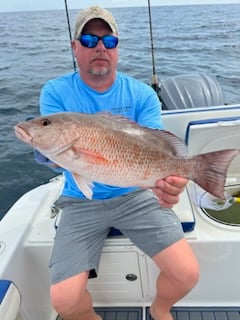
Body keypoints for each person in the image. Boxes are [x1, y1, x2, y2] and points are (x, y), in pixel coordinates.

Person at [39, 6, 199, 320]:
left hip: (136, 194)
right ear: (75, 48)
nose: (100, 47)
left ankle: (159, 309)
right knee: (64, 301)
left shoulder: (142, 95)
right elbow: (58, 155)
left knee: (186, 274)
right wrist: (48, 153)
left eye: (108, 41)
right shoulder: (55, 92)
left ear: (117, 49)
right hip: (80, 199)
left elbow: (157, 149)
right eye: (88, 39)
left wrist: (169, 184)